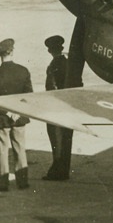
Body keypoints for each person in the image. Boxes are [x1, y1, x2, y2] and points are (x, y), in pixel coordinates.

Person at [0, 38, 33, 192]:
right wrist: (16, 111)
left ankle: (2, 183)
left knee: (2, 150)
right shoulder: (23, 71)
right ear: (12, 51)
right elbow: (29, 95)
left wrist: (8, 112)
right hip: (19, 117)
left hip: (2, 118)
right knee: (20, 148)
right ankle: (23, 182)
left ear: (0, 55)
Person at [42, 35, 72, 181]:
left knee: (56, 140)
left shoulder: (53, 66)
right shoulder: (69, 64)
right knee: (66, 139)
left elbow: (50, 88)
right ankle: (64, 170)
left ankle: (57, 171)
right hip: (69, 108)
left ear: (50, 51)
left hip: (56, 109)